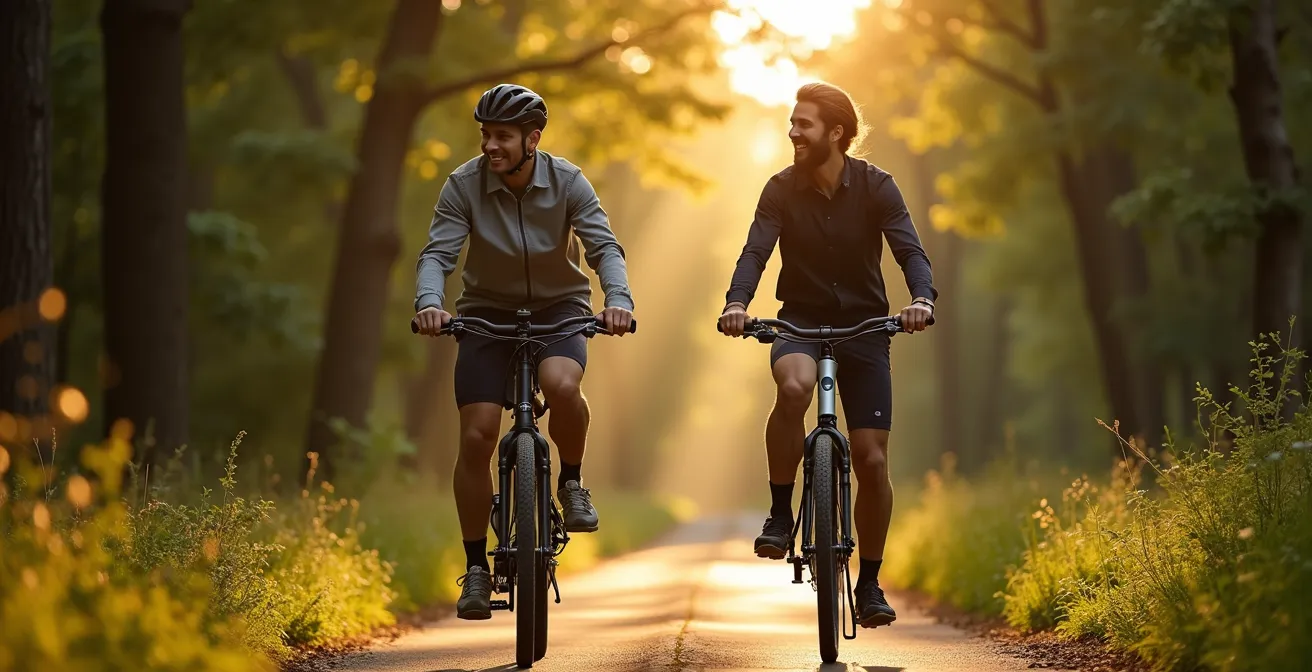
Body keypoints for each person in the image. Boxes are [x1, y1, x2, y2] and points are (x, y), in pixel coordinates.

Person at [413, 83, 636, 621]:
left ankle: (572, 481)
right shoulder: (463, 185)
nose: (491, 146)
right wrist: (429, 303)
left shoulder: (568, 182)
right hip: (485, 313)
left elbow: (604, 246)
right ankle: (475, 568)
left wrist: (618, 301)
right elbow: (438, 254)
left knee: (563, 386)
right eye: (486, 135)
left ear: (532, 139)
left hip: (560, 308)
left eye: (504, 137)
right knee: (477, 434)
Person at [717, 81, 936, 628]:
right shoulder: (779, 189)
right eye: (792, 123)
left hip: (866, 328)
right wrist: (737, 303)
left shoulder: (878, 186)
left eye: (803, 124)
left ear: (835, 133)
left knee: (872, 459)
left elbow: (909, 249)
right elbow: (755, 250)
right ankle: (778, 511)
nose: (793, 132)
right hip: (800, 323)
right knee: (793, 387)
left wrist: (921, 300)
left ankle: (869, 583)